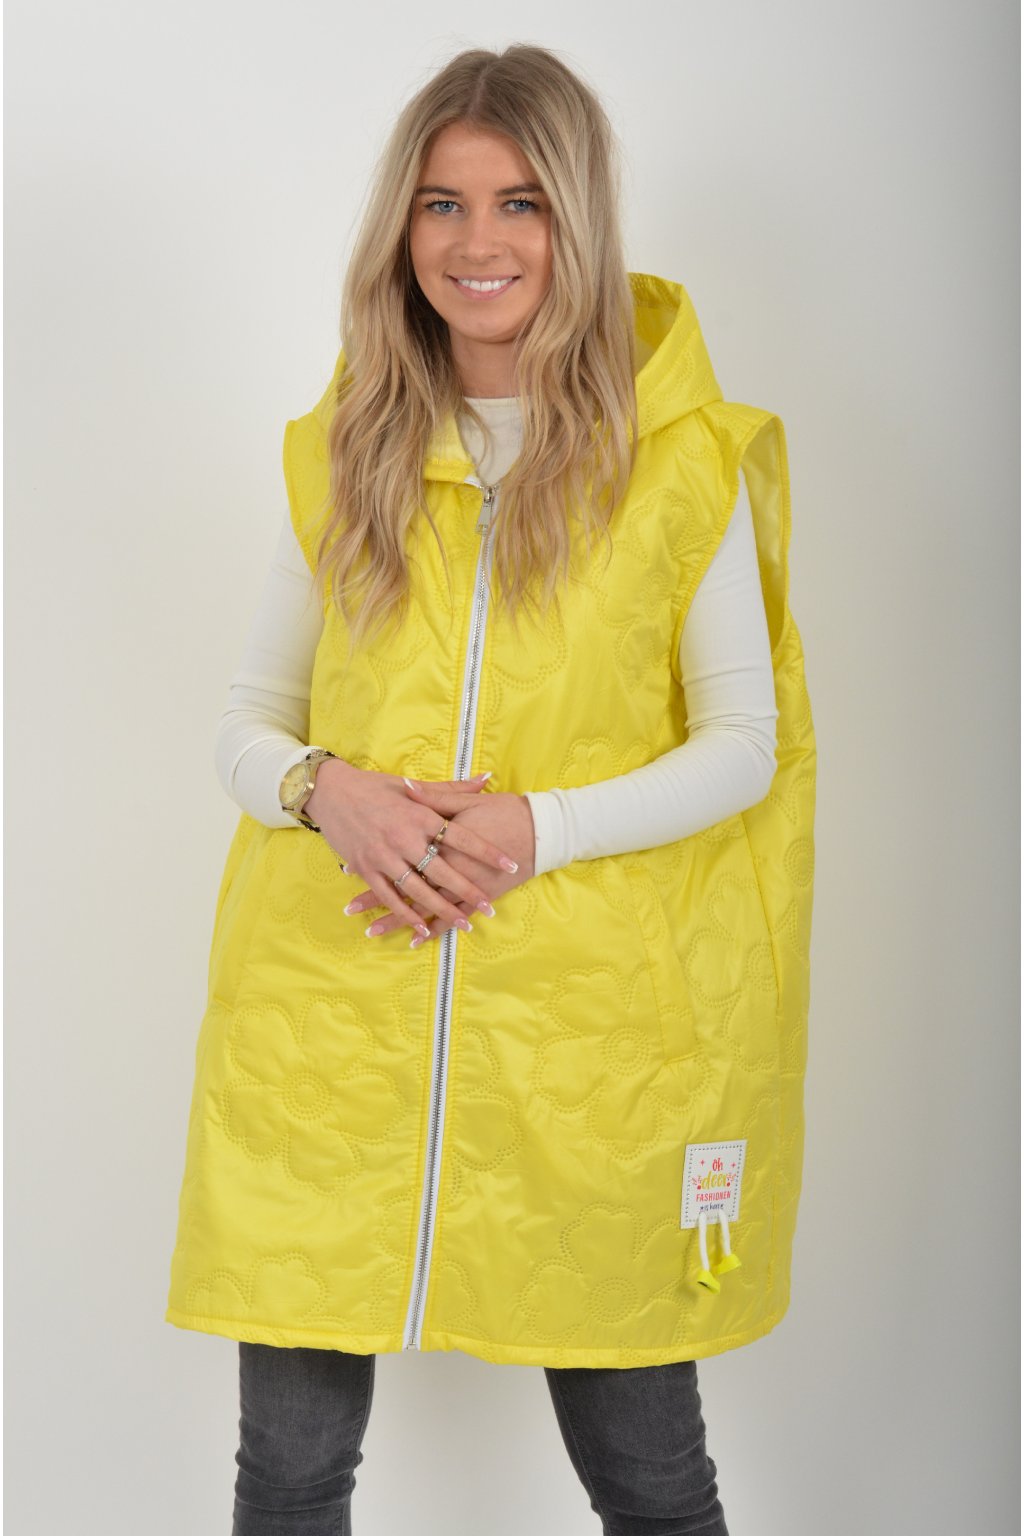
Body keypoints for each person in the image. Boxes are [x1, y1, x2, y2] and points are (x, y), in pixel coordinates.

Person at [165, 43, 817, 1536]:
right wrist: (330, 793)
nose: (479, 243)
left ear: (576, 220)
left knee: (651, 1479)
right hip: (328, 1027)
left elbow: (743, 741)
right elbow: (249, 722)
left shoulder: (681, 465)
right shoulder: (349, 451)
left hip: (589, 1045)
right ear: (402, 227)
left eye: (520, 203)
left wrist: (540, 828)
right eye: (442, 204)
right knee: (290, 1475)